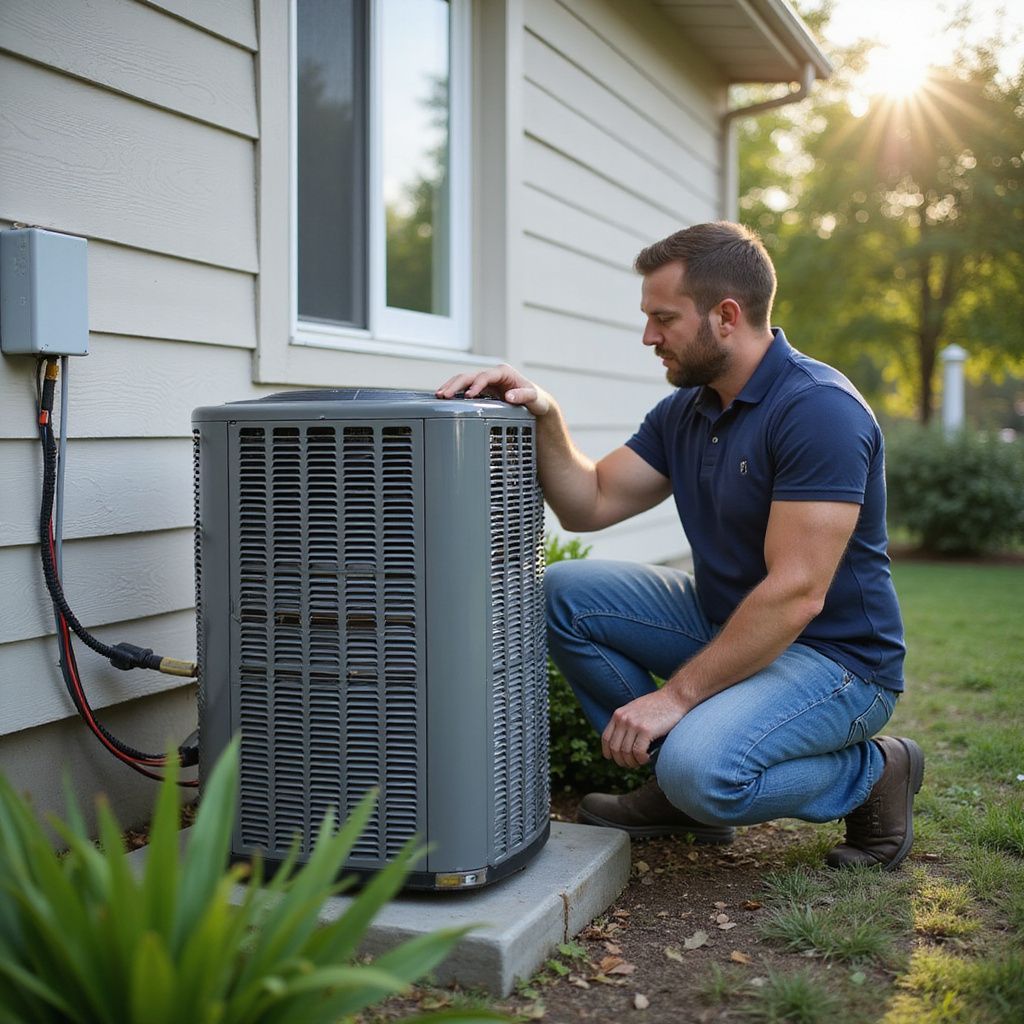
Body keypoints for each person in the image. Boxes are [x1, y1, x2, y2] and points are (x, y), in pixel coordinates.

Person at [436, 221, 922, 871]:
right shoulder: (690, 411)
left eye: (664, 318)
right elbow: (593, 501)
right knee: (563, 595)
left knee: (703, 771)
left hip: (838, 661)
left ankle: (871, 772)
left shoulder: (818, 410)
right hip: (728, 623)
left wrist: (676, 699)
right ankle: (677, 788)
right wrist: (544, 414)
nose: (649, 337)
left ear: (726, 316)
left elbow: (797, 593)